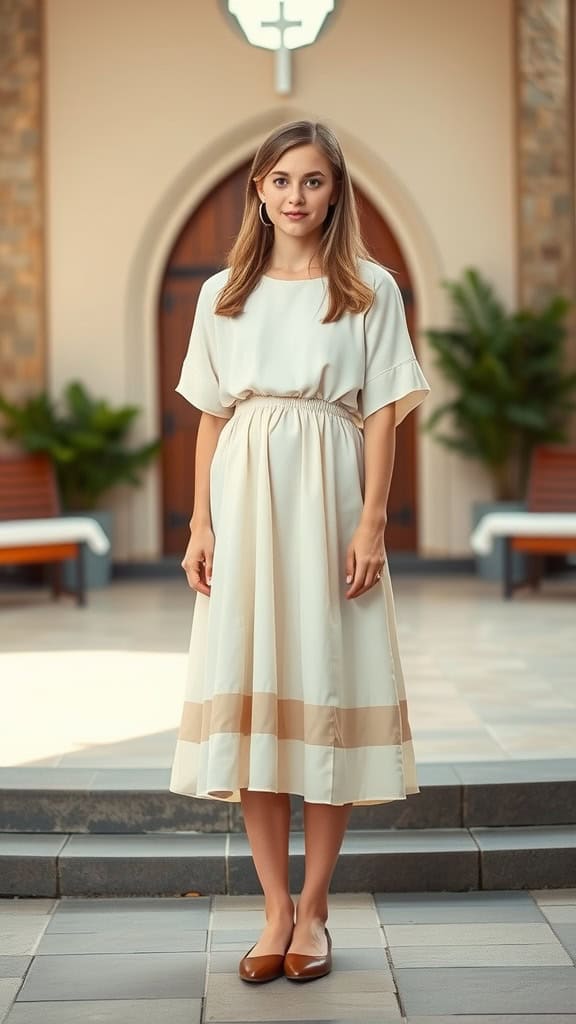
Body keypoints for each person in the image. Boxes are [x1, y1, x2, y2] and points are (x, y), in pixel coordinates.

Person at [169, 119, 430, 984]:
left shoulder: (368, 288)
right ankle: (272, 909)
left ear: (335, 191)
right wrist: (201, 523)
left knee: (325, 690)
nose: (295, 196)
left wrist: (373, 521)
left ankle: (315, 907)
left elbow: (386, 408)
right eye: (280, 180)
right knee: (257, 709)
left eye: (312, 181)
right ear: (258, 188)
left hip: (328, 500)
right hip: (245, 502)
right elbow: (211, 415)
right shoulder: (220, 294)